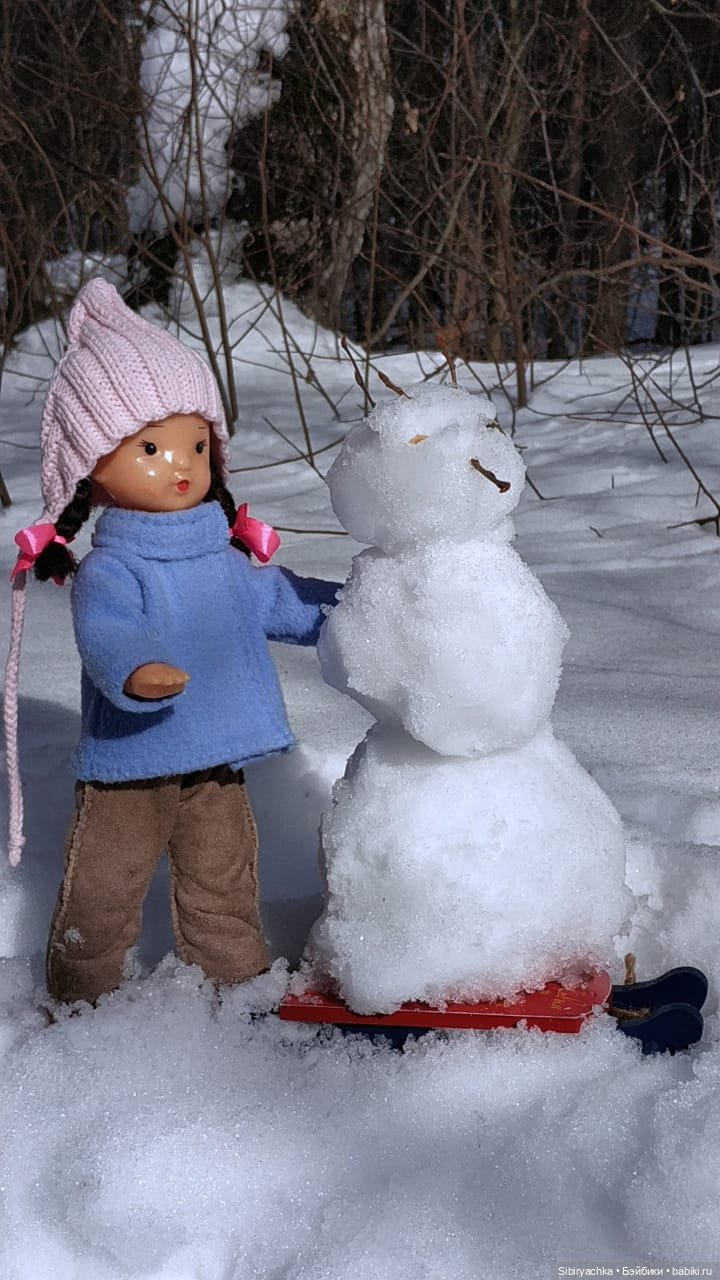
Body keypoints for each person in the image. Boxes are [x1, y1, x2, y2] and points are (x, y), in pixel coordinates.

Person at [4, 278, 339, 1006]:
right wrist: (136, 670)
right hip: (132, 764)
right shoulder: (111, 568)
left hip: (216, 759)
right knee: (104, 889)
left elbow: (280, 599)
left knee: (221, 881)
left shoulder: (221, 559)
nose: (180, 463)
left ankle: (239, 986)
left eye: (195, 442)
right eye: (151, 447)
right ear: (92, 468)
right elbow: (106, 634)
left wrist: (351, 609)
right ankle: (80, 997)